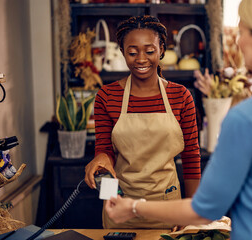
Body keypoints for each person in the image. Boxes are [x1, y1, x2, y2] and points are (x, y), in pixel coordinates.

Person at [104, 0, 252, 239]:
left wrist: (134, 207)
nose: (240, 42)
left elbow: (204, 209)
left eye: (242, 31)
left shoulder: (248, 117)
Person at [84, 15, 201, 228]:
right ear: (122, 52)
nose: (140, 59)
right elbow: (105, 153)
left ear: (162, 50)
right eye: (132, 52)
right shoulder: (107, 96)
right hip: (121, 210)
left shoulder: (180, 96)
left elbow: (191, 157)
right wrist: (111, 197)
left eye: (149, 51)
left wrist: (191, 214)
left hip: (169, 208)